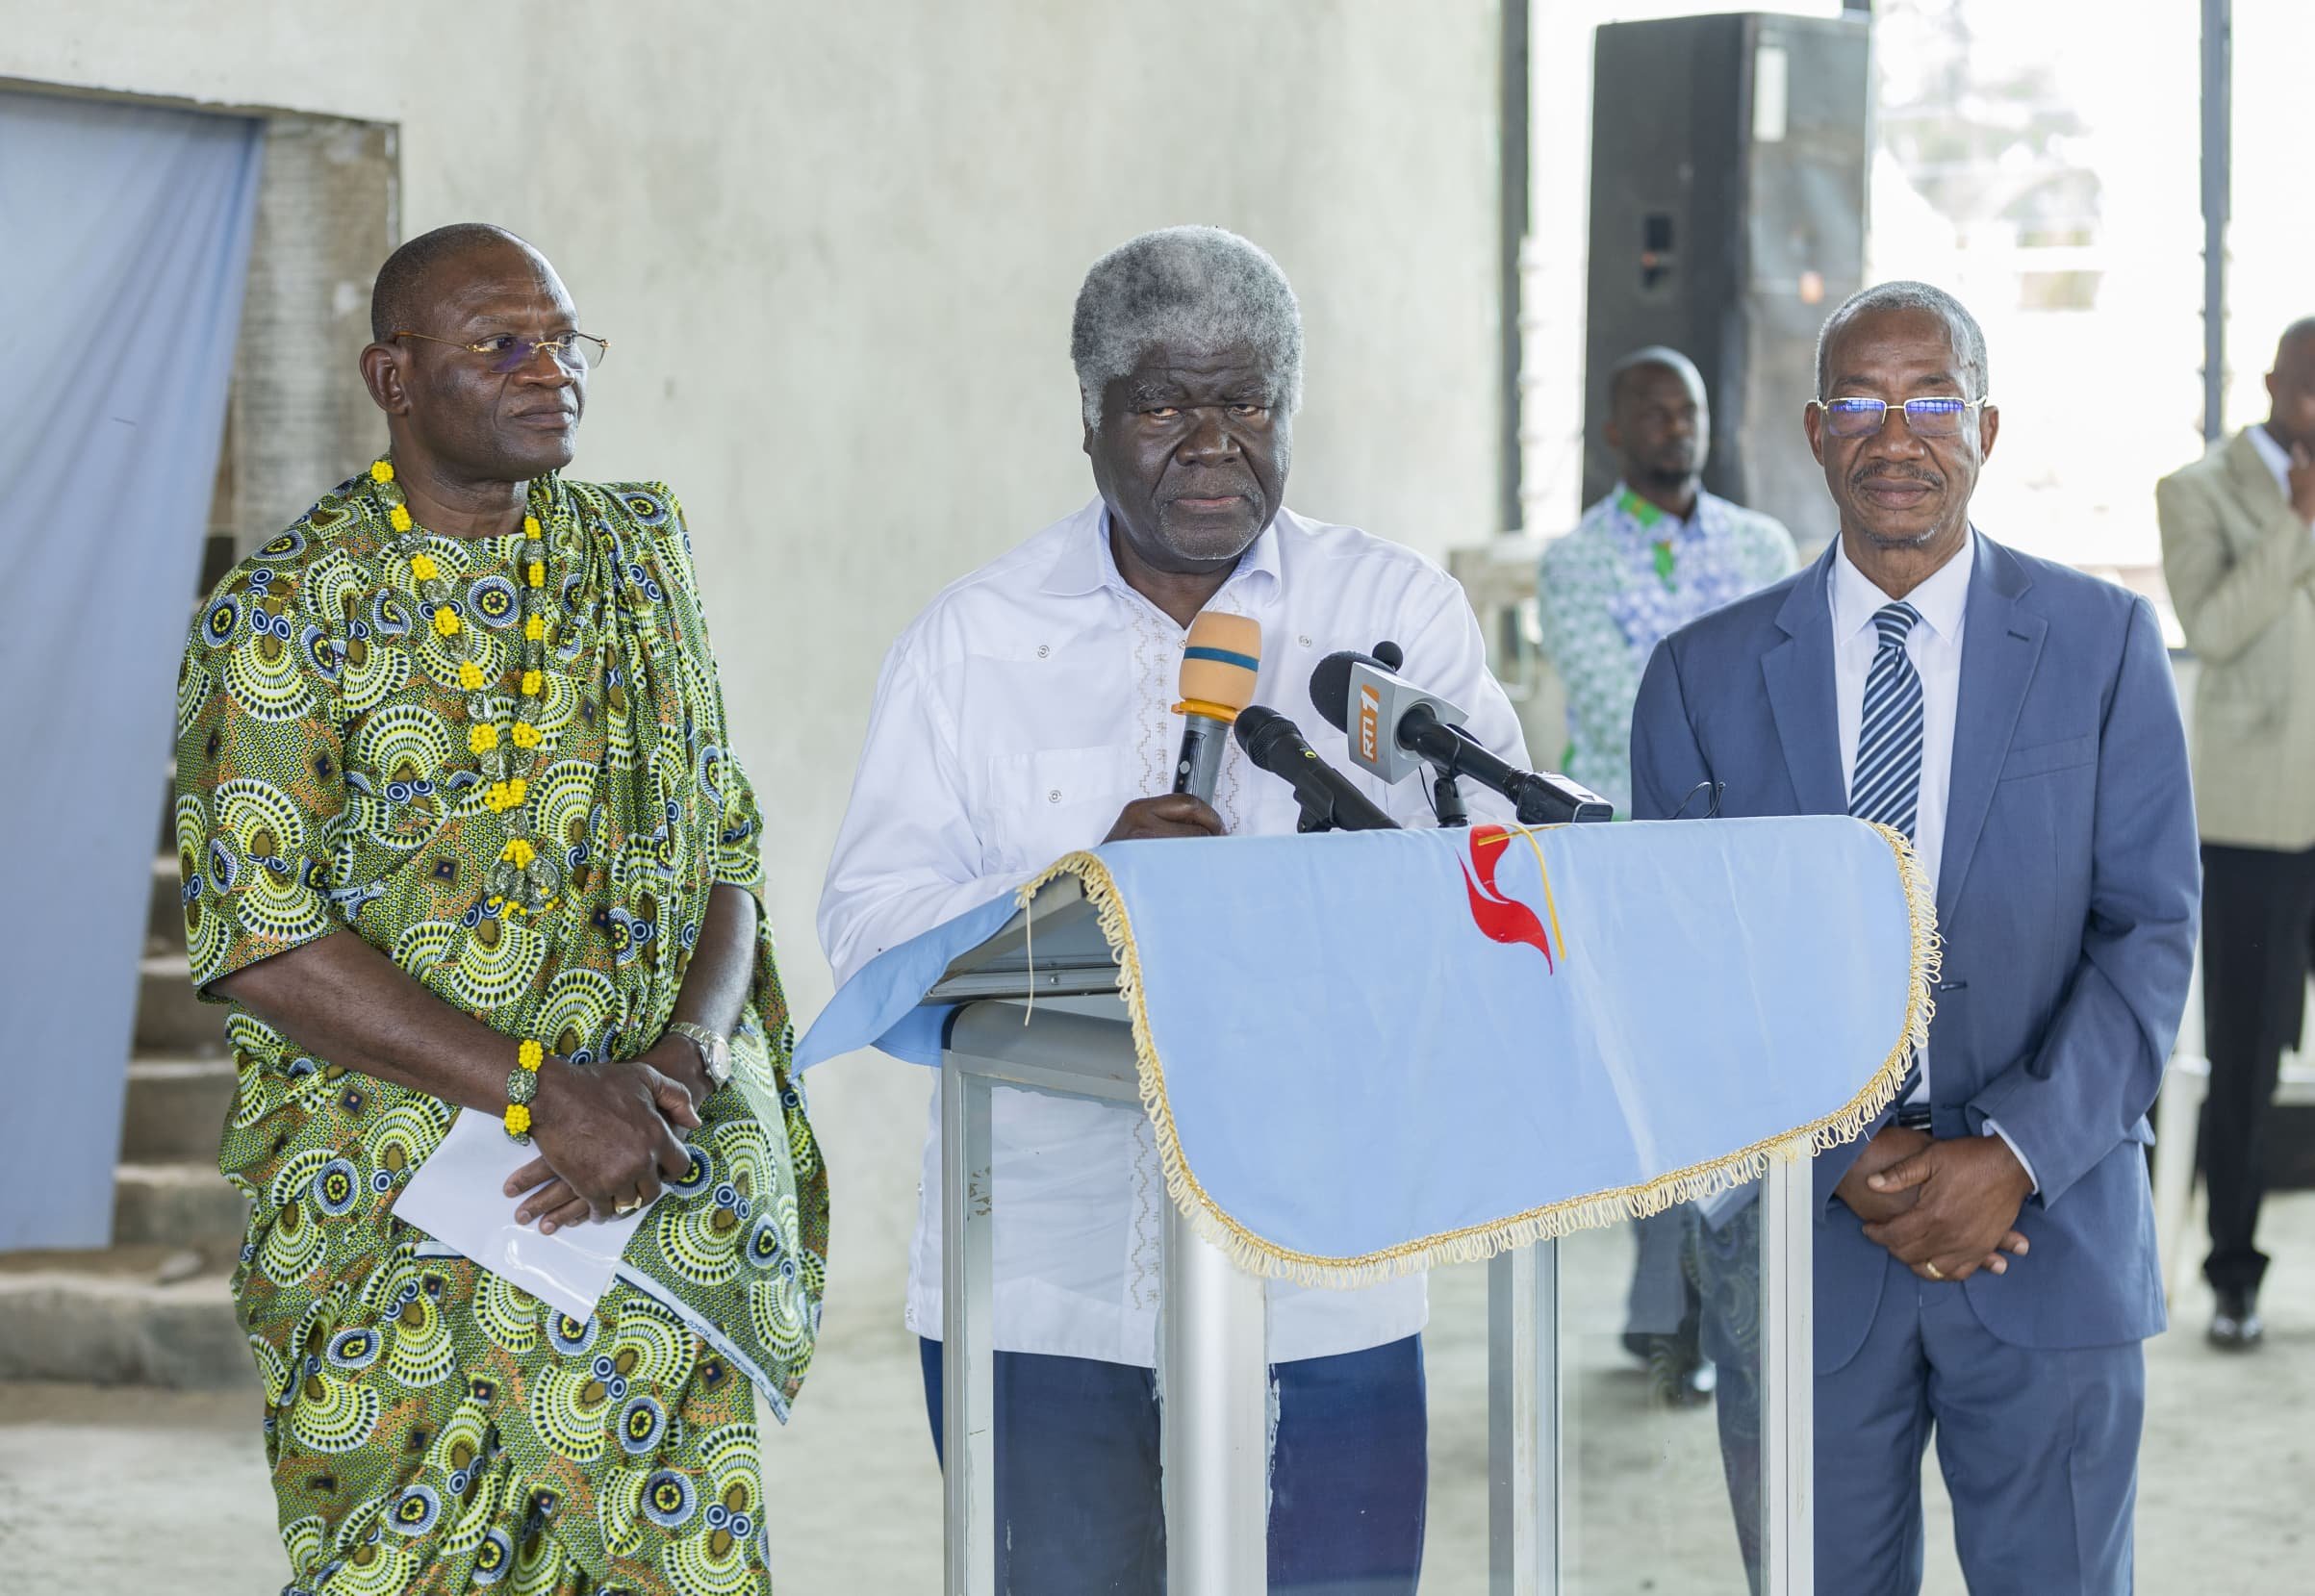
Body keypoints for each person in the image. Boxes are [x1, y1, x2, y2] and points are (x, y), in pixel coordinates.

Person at [816, 225, 1526, 1595]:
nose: (1213, 441)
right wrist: (1083, 881)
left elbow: (1492, 865)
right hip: (1042, 1281)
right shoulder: (974, 639)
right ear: (1088, 419)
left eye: (1246, 399)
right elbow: (870, 920)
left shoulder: (1387, 612)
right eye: (1164, 403)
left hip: (1324, 1272)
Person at [173, 223, 827, 1596]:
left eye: (566, 341)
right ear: (392, 377)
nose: (552, 372)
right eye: (502, 344)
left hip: (642, 1167)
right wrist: (541, 1092)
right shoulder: (287, 614)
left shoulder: (636, 556)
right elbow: (259, 936)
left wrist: (678, 1065)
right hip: (404, 1194)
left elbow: (723, 847)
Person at [1631, 281, 2197, 1593]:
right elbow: (1678, 968)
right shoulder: (1701, 677)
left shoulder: (2101, 643)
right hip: (1804, 1253)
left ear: (1984, 428)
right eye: (1864, 406)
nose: (1901, 435)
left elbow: (2149, 930)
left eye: (1932, 399)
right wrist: (1839, 1153)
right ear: (1819, 434)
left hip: (2047, 1237)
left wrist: (2008, 1152)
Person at [1537, 344, 1796, 1404]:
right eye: (1650, 410)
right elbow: (1615, 706)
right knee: (1658, 1091)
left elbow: (1795, 682)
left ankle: (1739, 1307)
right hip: (1636, 862)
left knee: (1745, 1085)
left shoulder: (1764, 541)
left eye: (1686, 408)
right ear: (1612, 433)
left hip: (1751, 864)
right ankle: (1667, 1315)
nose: (1673, 426)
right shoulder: (1576, 563)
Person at [2157, 316, 2315, 1350]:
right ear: (2272, 383)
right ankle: (2234, 1278)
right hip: (2254, 824)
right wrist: (2297, 521)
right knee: (2249, 1058)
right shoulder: (2198, 490)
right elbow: (2211, 628)